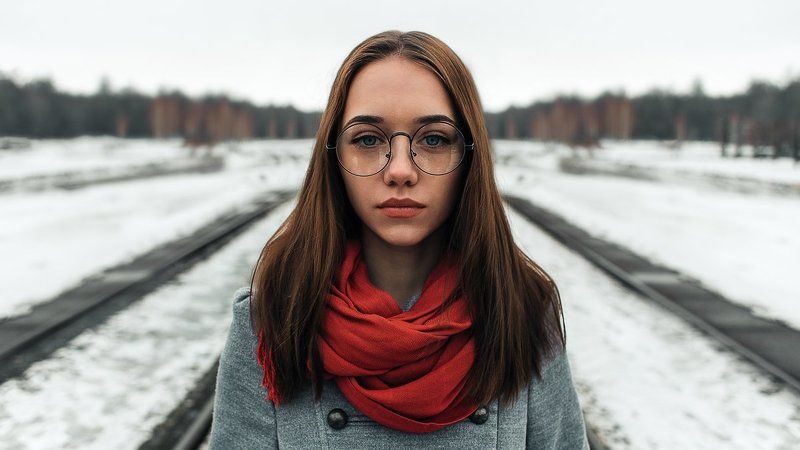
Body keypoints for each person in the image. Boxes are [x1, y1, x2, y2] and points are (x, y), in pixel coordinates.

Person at [209, 30, 589, 449]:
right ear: (334, 158)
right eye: (369, 139)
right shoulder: (276, 320)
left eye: (434, 139)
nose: (401, 170)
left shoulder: (523, 314)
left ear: (470, 158)